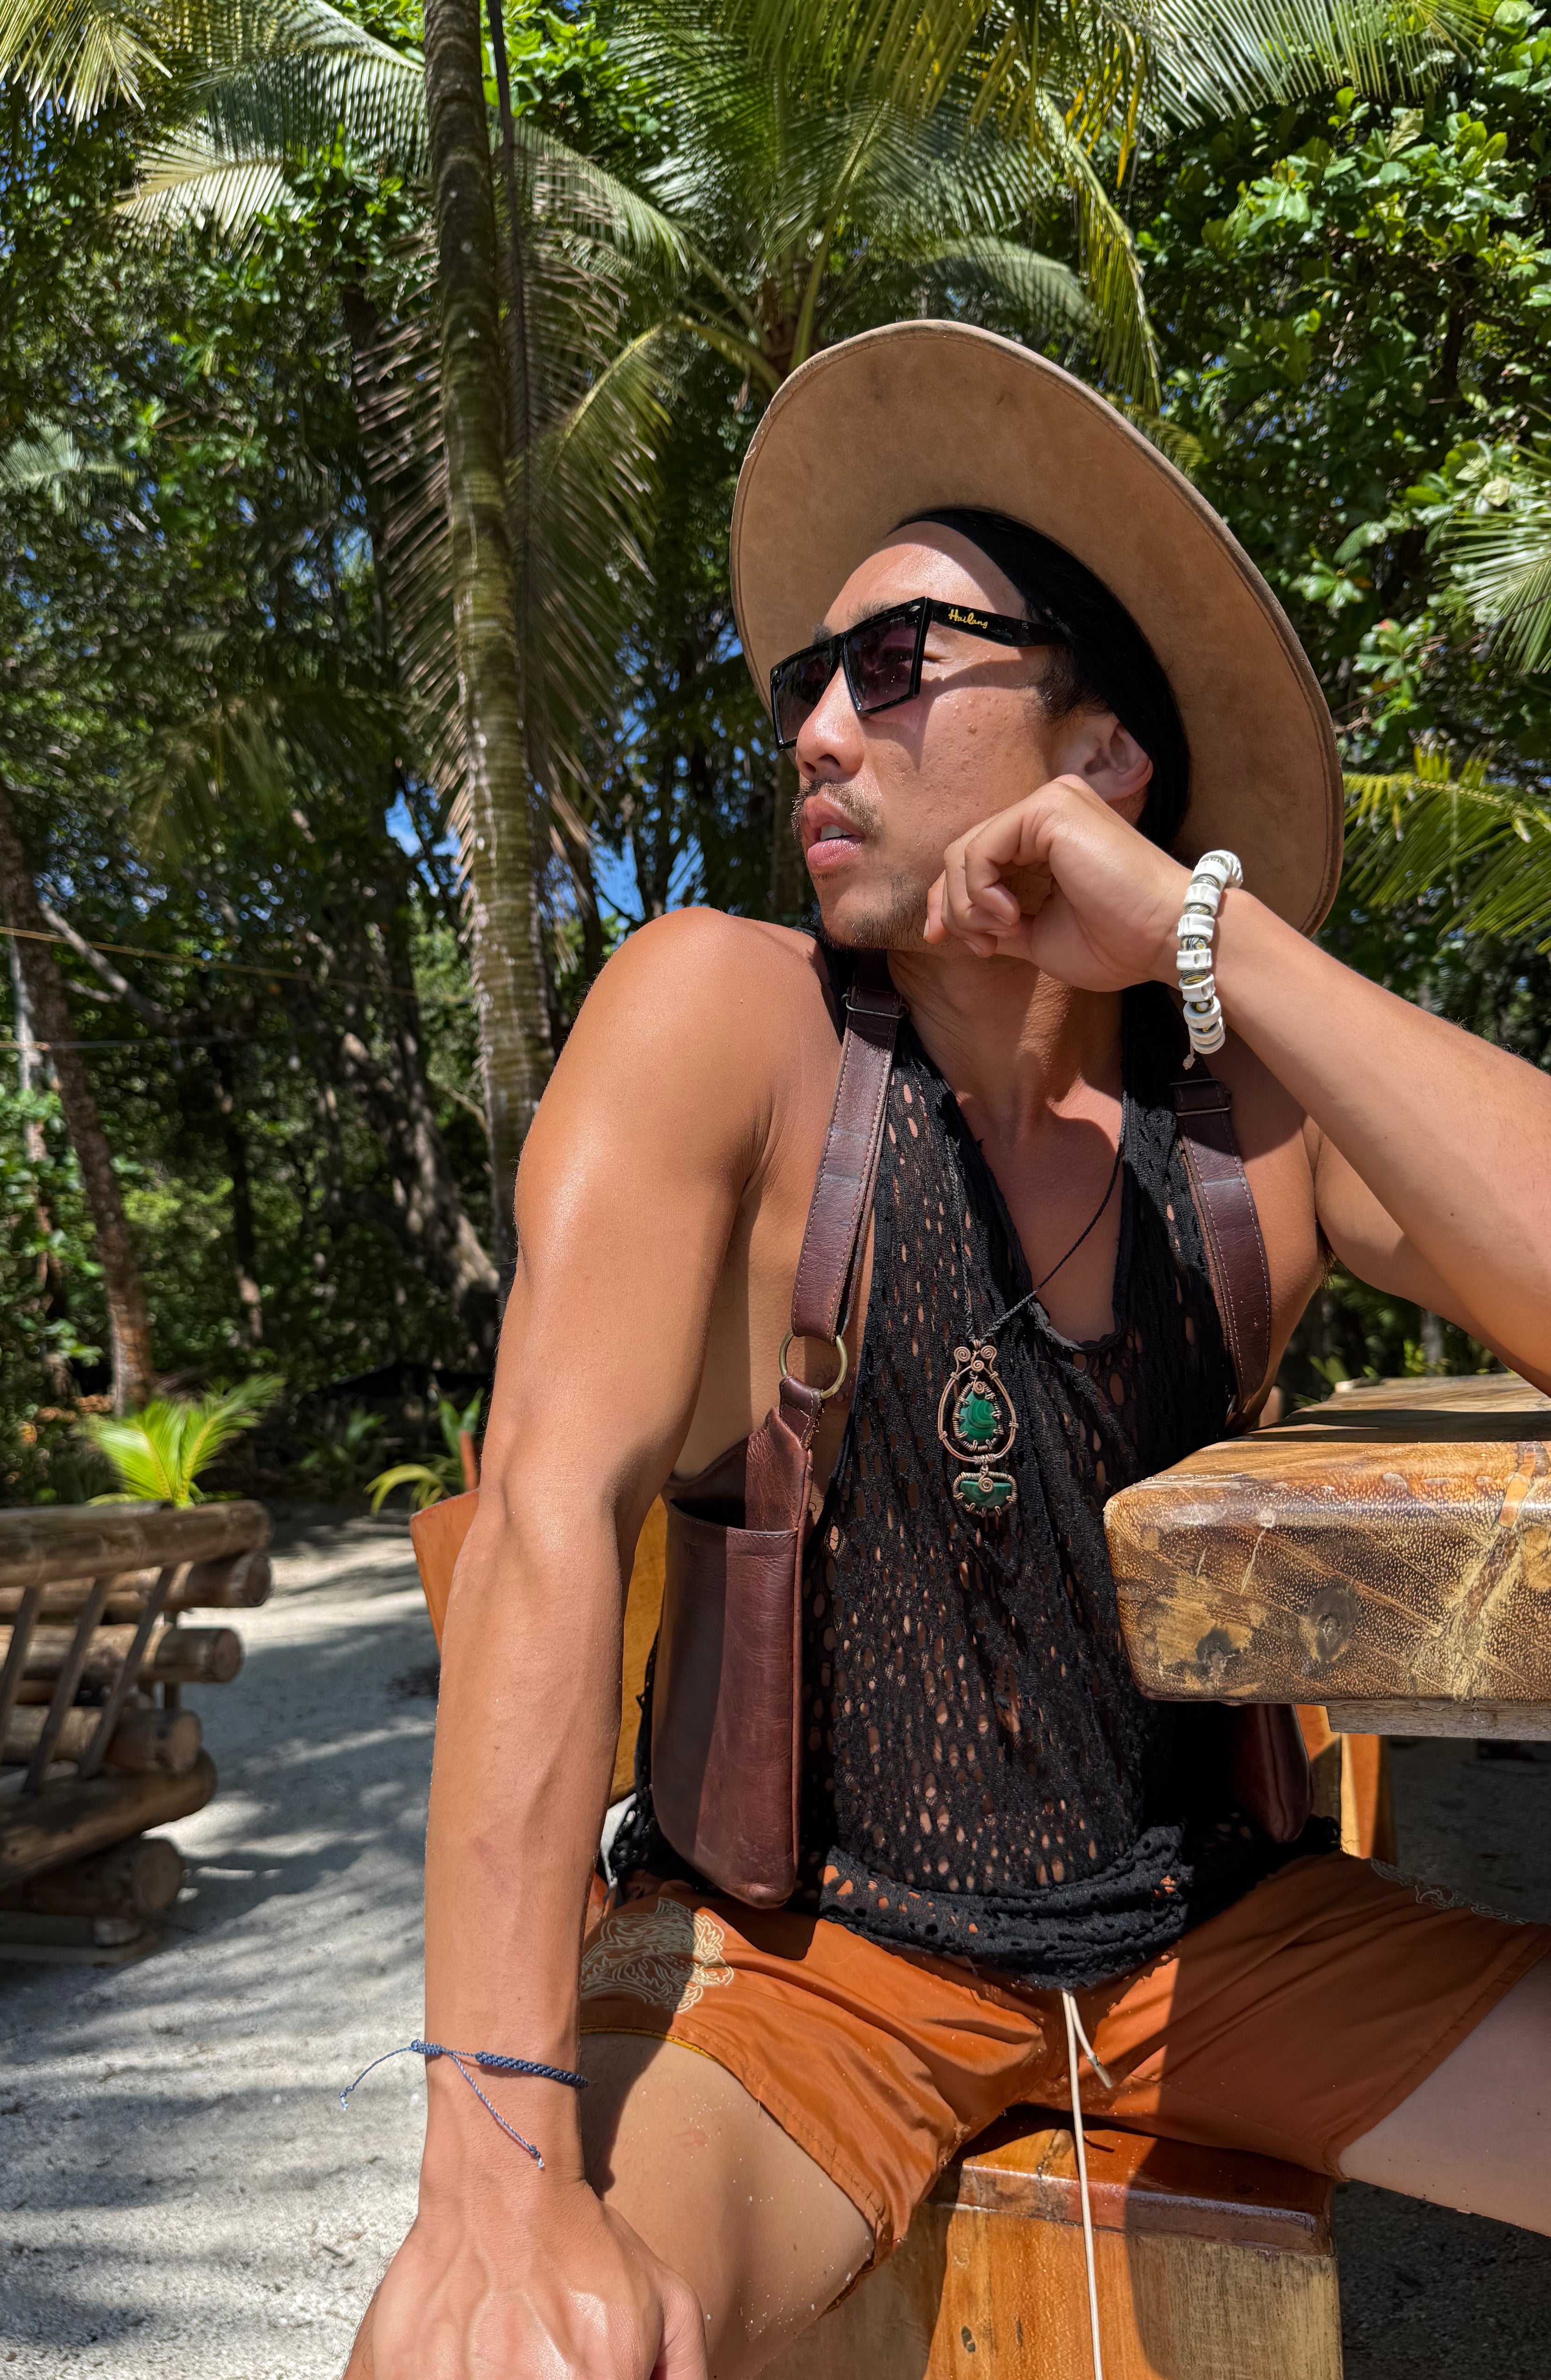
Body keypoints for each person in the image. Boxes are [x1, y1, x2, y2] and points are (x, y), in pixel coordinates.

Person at [347, 322, 1551, 2380]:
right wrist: (491, 2172)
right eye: (802, 685)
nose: (818, 728)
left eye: (895, 665)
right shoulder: (725, 1023)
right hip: (813, 1966)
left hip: (1210, 1943)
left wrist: (1210, 933)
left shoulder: (1235, 1117)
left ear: (1100, 755)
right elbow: (547, 1508)